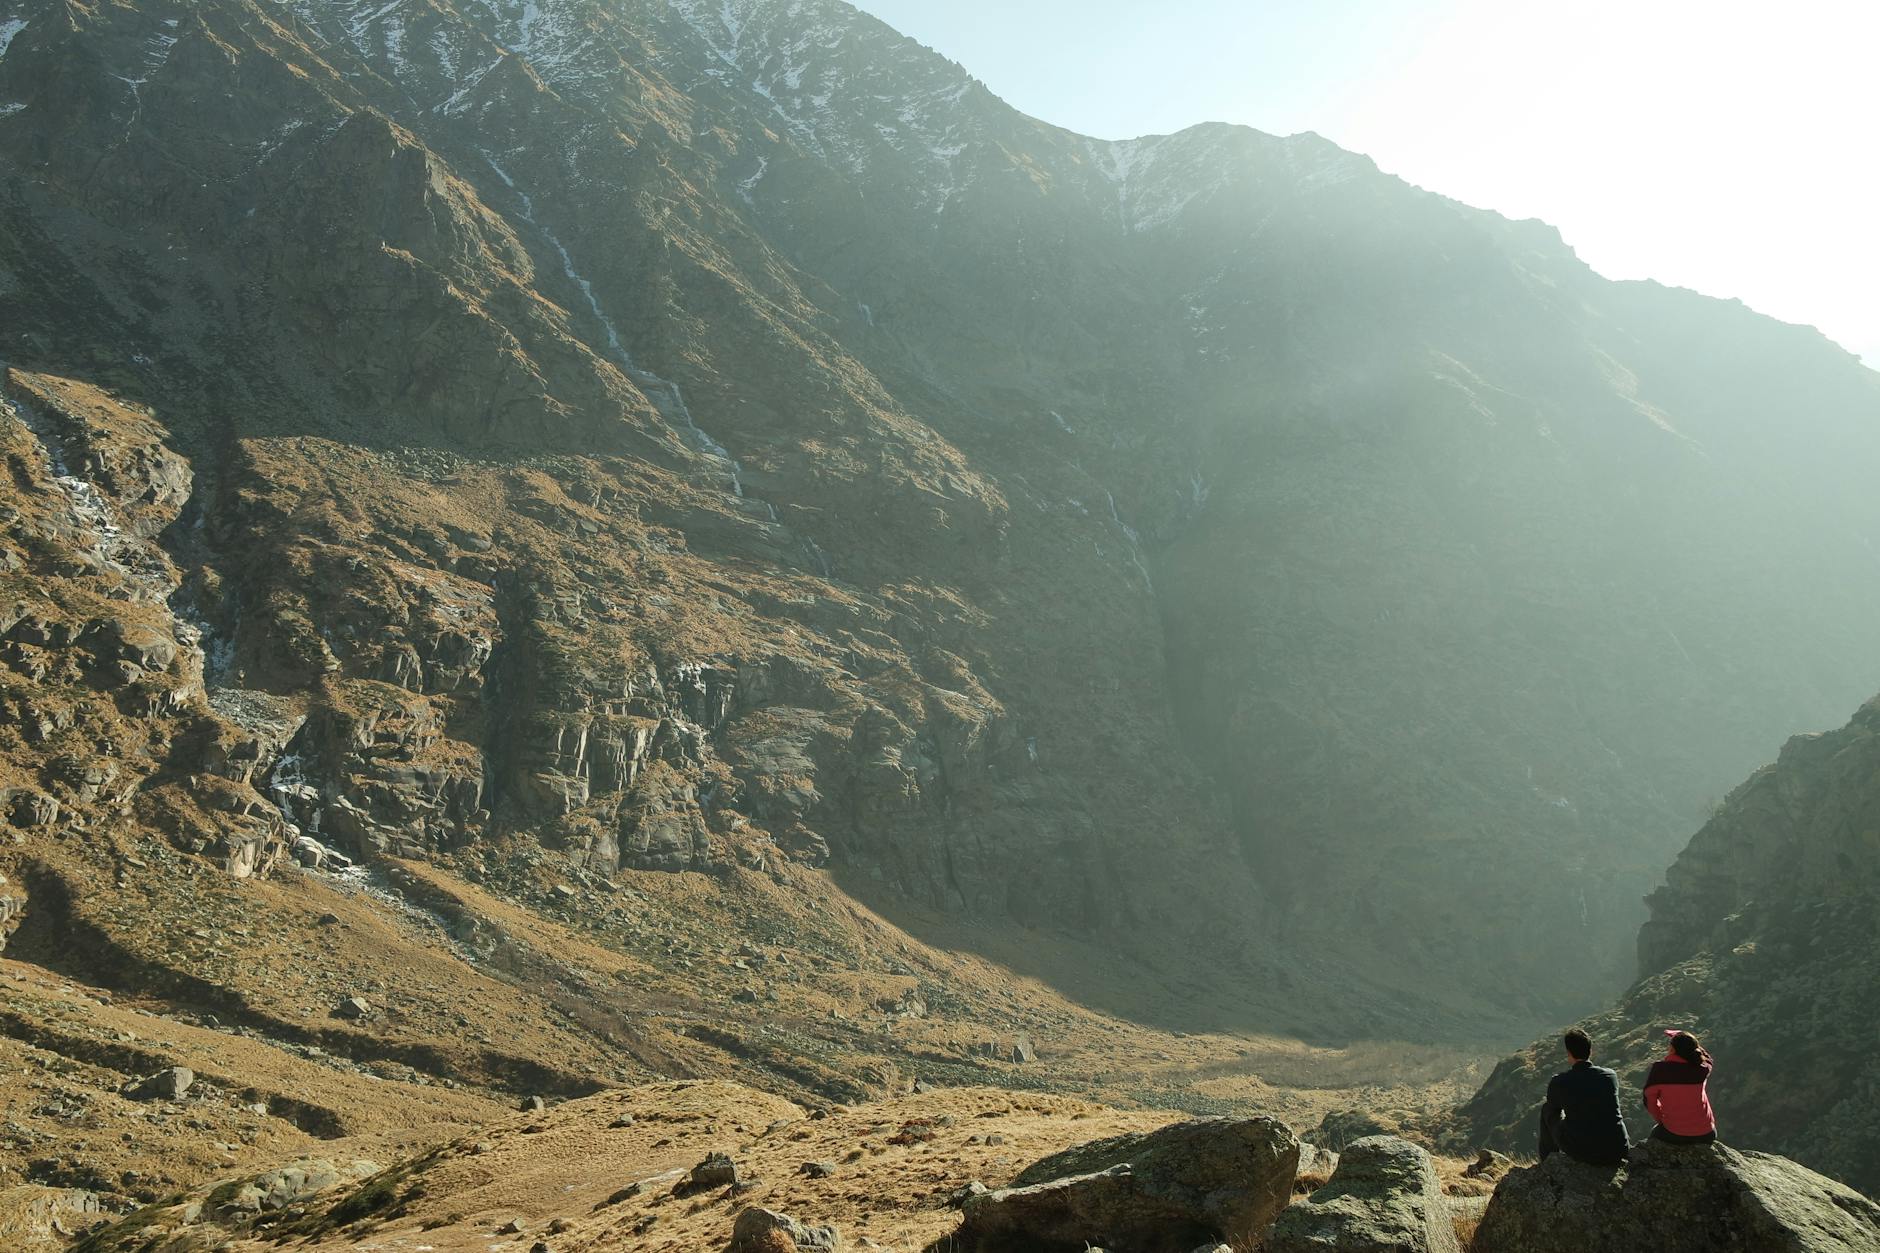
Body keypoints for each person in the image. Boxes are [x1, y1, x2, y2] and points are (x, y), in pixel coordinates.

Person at [1538, 1027, 1631, 1165]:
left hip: (1583, 1151)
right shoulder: (1610, 1076)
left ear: (1569, 1053)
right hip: (1618, 1148)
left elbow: (1553, 1106)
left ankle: (1548, 1164)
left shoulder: (1560, 1081)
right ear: (1590, 1051)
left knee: (1547, 1110)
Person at [1644, 1028, 1718, 1144]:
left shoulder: (1660, 1070)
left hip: (1675, 1133)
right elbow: (1707, 1058)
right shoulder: (1702, 1069)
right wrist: (1686, 1039)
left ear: (1672, 1049)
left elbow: (1649, 1101)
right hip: (1707, 1133)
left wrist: (1661, 1121)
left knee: (1653, 1139)